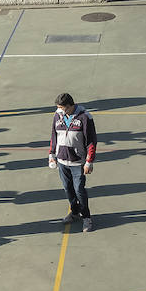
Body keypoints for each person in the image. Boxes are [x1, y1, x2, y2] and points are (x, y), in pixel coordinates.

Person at [48, 92, 97, 232]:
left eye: (62, 108)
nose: (60, 110)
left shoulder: (85, 117)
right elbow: (54, 136)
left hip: (78, 162)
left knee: (79, 190)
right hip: (62, 161)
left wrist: (89, 161)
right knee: (68, 189)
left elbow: (91, 141)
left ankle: (86, 217)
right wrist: (51, 154)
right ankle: (75, 212)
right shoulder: (57, 116)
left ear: (70, 106)